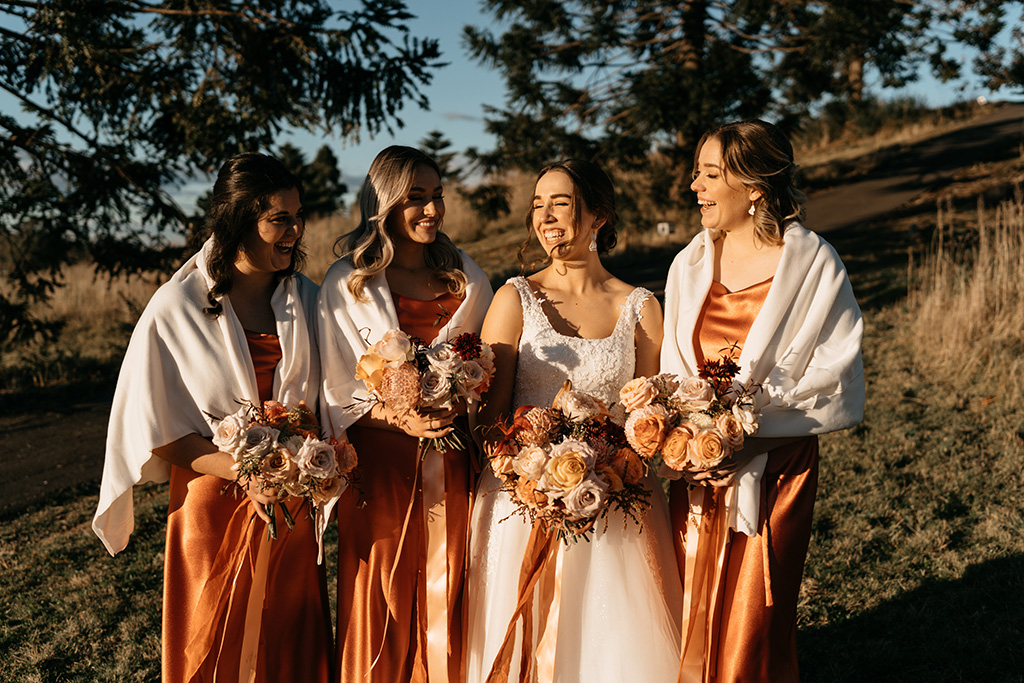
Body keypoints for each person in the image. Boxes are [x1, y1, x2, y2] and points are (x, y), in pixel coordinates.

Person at [92, 153, 332, 682]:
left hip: (292, 499)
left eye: (298, 215)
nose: (295, 230)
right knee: (215, 642)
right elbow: (152, 429)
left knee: (287, 641)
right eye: (280, 219)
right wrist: (243, 471)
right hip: (211, 503)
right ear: (238, 220)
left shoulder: (311, 301)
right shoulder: (174, 308)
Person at [661, 120, 865, 682]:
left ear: (753, 185)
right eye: (696, 173)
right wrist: (689, 440)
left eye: (709, 174)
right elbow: (672, 369)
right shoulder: (690, 264)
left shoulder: (814, 264)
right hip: (695, 470)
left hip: (777, 467)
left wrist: (743, 432)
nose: (694, 186)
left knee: (754, 619)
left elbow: (835, 376)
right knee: (690, 606)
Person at [465, 159, 683, 682]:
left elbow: (645, 421)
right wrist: (534, 472)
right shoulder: (515, 298)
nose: (545, 215)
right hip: (522, 502)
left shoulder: (640, 308)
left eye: (560, 202)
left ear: (598, 217)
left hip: (614, 502)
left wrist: (609, 471)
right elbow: (489, 422)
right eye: (538, 204)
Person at [318, 145, 493, 683]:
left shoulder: (468, 280)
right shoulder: (347, 285)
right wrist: (400, 417)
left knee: (450, 582)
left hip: (455, 461)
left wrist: (464, 395)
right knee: (383, 588)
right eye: (415, 198)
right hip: (381, 466)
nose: (432, 211)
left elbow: (490, 368)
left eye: (437, 196)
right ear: (384, 203)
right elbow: (335, 391)